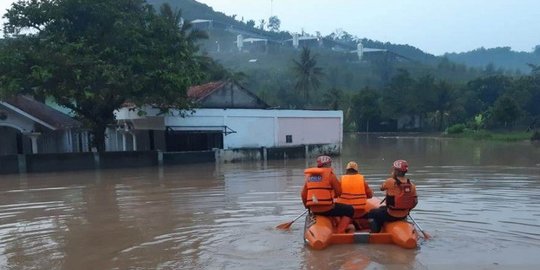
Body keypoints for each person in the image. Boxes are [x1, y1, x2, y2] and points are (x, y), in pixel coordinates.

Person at [301, 155, 354, 233]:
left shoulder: (309, 176)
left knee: (336, 208)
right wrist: (332, 195)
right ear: (327, 164)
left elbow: (303, 194)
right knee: (350, 210)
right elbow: (339, 192)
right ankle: (340, 231)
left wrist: (307, 206)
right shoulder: (330, 175)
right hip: (327, 208)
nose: (330, 165)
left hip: (313, 209)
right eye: (329, 164)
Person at [366, 160, 418, 233]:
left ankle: (375, 231)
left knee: (371, 212)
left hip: (391, 215)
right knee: (381, 208)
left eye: (394, 169)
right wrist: (408, 210)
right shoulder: (412, 185)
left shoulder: (390, 181)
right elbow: (415, 202)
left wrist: (393, 177)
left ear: (396, 171)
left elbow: (381, 188)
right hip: (403, 215)